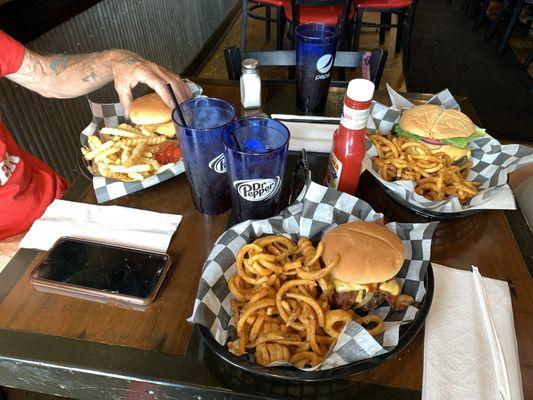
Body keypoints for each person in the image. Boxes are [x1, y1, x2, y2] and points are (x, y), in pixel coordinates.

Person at [0, 29, 190, 269]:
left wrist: (117, 60)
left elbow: (44, 74)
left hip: (64, 206)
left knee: (181, 250)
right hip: (14, 260)